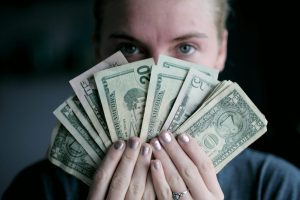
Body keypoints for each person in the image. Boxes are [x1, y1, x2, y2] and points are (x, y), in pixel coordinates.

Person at [3, 0, 300, 199]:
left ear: (222, 50)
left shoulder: (280, 187)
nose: (156, 72)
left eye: (185, 48)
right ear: (97, 49)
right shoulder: (39, 190)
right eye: (130, 47)